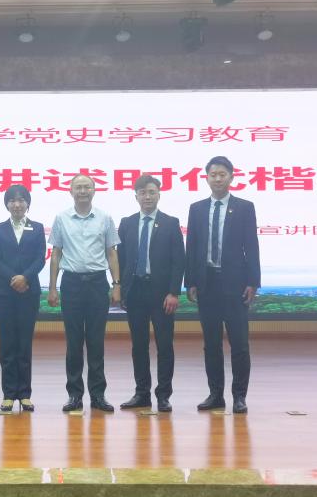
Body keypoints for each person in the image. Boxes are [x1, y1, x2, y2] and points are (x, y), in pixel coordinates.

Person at [185, 156, 261, 415]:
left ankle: (239, 396)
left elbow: (251, 246)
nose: (217, 179)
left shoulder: (244, 207)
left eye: (222, 174)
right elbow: (192, 247)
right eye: (213, 174)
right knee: (211, 344)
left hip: (236, 285)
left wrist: (253, 281)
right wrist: (190, 281)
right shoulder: (197, 209)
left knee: (239, 344)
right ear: (206, 178)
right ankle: (215, 395)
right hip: (207, 284)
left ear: (231, 177)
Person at [47, 174, 121, 413]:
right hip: (71, 284)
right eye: (78, 187)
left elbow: (112, 253)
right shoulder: (61, 218)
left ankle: (98, 395)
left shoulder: (105, 218)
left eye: (86, 187)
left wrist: (116, 284)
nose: (82, 191)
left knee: (96, 341)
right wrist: (52, 287)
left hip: (98, 283)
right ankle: (74, 395)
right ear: (70, 191)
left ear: (94, 191)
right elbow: (56, 254)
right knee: (74, 342)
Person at [116, 174, 185, 413]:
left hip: (162, 294)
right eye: (143, 193)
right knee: (139, 345)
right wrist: (120, 287)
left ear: (159, 195)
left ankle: (164, 395)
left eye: (151, 192)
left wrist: (174, 292)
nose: (147, 197)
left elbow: (179, 261)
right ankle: (142, 393)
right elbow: (120, 259)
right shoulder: (126, 223)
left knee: (164, 345)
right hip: (135, 292)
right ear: (136, 196)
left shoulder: (170, 223)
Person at [0, 184, 47, 413]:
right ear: (7, 204)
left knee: (24, 343)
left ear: (28, 203)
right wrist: (14, 277)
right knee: (7, 344)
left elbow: (40, 258)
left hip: (28, 292)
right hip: (5, 292)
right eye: (12, 200)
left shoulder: (38, 228)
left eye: (21, 200)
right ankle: (8, 394)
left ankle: (24, 394)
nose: (17, 204)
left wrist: (25, 277)